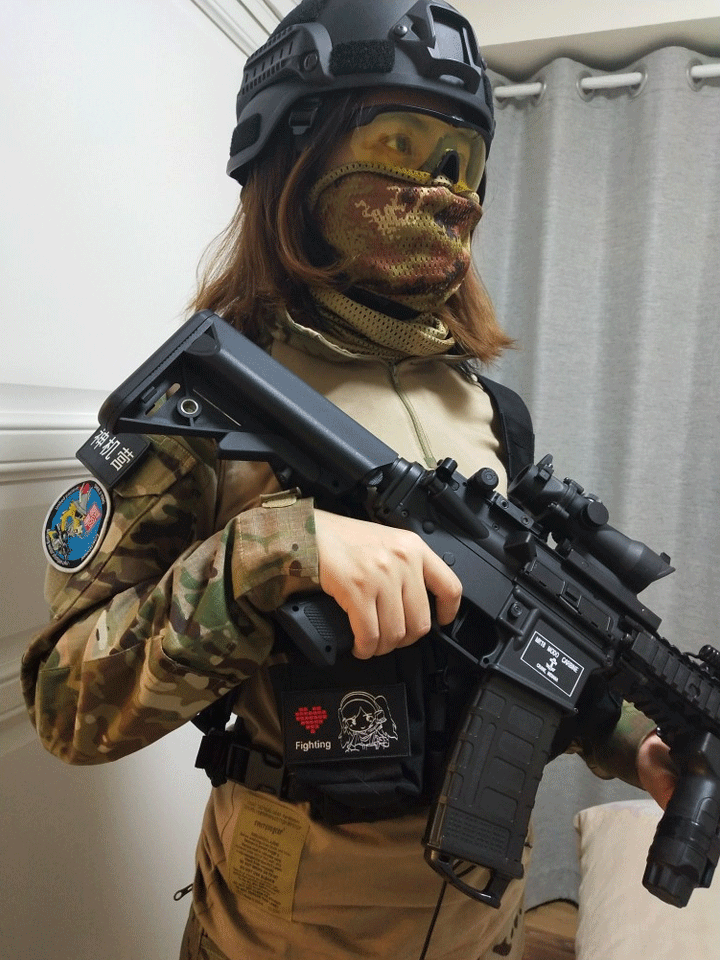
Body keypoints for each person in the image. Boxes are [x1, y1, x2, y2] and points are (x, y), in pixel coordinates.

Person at [23, 1, 678, 958]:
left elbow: (518, 656)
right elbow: (66, 704)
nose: (441, 187)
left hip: (485, 929)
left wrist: (631, 742)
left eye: (460, 161)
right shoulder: (213, 401)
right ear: (296, 151)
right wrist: (271, 555)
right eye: (398, 144)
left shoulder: (491, 414)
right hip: (281, 932)